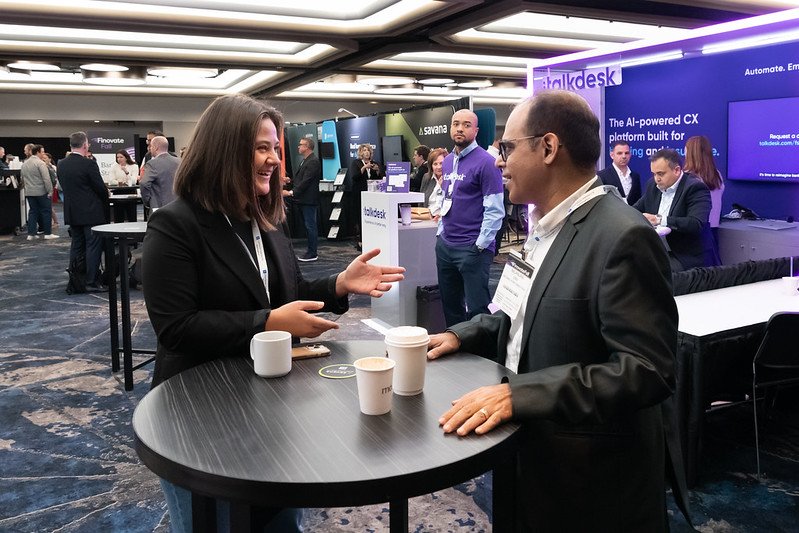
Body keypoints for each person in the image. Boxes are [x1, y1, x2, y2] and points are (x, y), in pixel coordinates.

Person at [141, 93, 405, 533]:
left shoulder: (267, 220)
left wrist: (340, 284)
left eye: (275, 149)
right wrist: (266, 323)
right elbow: (177, 328)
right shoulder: (175, 225)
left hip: (271, 407)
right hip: (202, 416)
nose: (274, 160)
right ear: (225, 151)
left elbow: (288, 293)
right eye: (261, 148)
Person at [429, 90, 690, 532]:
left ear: (548, 148)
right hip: (530, 456)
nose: (499, 161)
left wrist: (520, 394)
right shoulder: (545, 226)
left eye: (508, 148)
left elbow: (647, 370)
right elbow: (520, 312)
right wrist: (460, 335)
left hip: (588, 483)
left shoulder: (623, 236)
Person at [435, 109, 503, 326]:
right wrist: (440, 234)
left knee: (477, 310)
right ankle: (456, 344)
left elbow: (495, 209)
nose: (460, 129)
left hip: (472, 248)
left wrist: (480, 245)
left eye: (466, 125)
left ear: (476, 130)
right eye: (456, 124)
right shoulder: (447, 162)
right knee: (450, 307)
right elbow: (447, 196)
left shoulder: (487, 163)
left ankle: (480, 348)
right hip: (446, 246)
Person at [633, 148, 717, 271]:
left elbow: (695, 223)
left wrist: (659, 219)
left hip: (686, 255)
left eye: (660, 174)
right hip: (658, 250)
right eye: (654, 174)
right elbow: (635, 209)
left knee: (653, 272)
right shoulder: (653, 185)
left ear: (676, 170)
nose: (656, 179)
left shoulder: (695, 188)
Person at [58, 132, 109, 291]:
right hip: (91, 212)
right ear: (85, 145)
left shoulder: (61, 164)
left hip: (72, 212)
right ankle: (90, 281)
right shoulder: (89, 164)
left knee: (76, 246)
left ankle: (75, 279)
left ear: (71, 145)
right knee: (93, 246)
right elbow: (100, 189)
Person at [684, 135, 724, 246]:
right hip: (713, 230)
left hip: (694, 231)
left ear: (690, 152)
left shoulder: (687, 178)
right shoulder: (717, 176)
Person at [343, 143, 383, 247]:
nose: (367, 152)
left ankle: (373, 238)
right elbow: (354, 177)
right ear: (361, 153)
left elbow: (380, 178)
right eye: (364, 150)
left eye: (368, 150)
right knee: (360, 216)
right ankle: (361, 239)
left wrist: (377, 171)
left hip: (372, 195)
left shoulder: (374, 163)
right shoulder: (356, 163)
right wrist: (364, 167)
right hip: (359, 193)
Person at [289, 137, 322, 261]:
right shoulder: (305, 160)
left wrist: (292, 192)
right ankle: (310, 251)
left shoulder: (313, 161)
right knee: (308, 226)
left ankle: (312, 253)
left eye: (301, 144)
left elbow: (306, 181)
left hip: (309, 200)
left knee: (310, 226)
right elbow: (301, 179)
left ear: (307, 146)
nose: (298, 146)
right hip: (303, 199)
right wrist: (290, 181)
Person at [22, 144, 57, 240]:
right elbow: (46, 179)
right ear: (37, 152)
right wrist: (50, 191)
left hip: (29, 192)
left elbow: (23, 178)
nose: (43, 154)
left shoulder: (25, 163)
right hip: (41, 192)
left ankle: (31, 234)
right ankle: (48, 233)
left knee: (32, 212)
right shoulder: (40, 163)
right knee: (46, 211)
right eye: (42, 152)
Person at [140, 135, 179, 210]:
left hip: (159, 207)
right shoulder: (179, 161)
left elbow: (144, 183)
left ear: (156, 147)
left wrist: (147, 201)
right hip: (178, 206)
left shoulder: (152, 164)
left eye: (151, 146)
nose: (150, 149)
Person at [597, 141, 642, 205]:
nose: (624, 156)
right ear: (612, 155)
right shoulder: (602, 176)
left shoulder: (635, 176)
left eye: (626, 153)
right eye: (619, 153)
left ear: (630, 155)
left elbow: (638, 201)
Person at [420, 147, 447, 218]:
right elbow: (421, 202)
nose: (439, 167)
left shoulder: (452, 179)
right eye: (435, 164)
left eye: (441, 163)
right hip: (427, 218)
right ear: (431, 166)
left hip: (443, 218)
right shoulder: (427, 177)